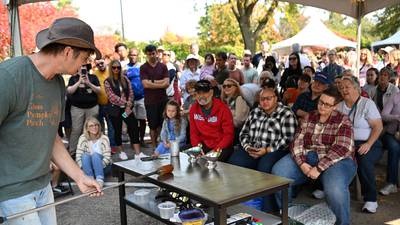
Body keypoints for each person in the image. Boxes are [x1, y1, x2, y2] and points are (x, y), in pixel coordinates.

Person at [0, 17, 102, 225]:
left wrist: (79, 177)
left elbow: (52, 138)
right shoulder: (8, 77)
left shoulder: (57, 84)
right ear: (67, 51)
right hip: (12, 192)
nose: (85, 64)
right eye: (83, 58)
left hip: (42, 185)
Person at [272, 87, 356, 225]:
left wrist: (318, 168)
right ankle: (288, 215)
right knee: (279, 172)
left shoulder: (343, 120)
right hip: (310, 155)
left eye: (327, 104)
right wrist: (302, 164)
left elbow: (342, 148)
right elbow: (297, 142)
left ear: (335, 106)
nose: (322, 106)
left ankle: (342, 223)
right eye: (321, 102)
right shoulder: (310, 116)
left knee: (334, 189)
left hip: (338, 160)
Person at [229, 85, 297, 212]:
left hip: (275, 149)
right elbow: (243, 133)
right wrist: (247, 147)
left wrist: (267, 150)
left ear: (276, 99)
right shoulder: (255, 111)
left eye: (268, 98)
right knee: (234, 162)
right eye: (262, 99)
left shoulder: (286, 113)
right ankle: (240, 200)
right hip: (253, 148)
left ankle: (269, 207)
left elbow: (288, 139)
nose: (265, 102)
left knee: (264, 167)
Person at [337, 76, 383, 213]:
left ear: (356, 88)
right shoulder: (339, 106)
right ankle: (325, 187)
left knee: (363, 158)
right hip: (346, 143)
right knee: (331, 156)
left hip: (369, 143)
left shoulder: (367, 104)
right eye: (341, 87)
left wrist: (368, 143)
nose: (344, 90)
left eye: (347, 87)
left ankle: (371, 199)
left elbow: (378, 127)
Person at [104, 60, 142, 160]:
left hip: (126, 111)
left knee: (133, 127)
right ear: (111, 69)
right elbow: (112, 97)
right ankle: (121, 151)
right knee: (117, 130)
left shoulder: (125, 79)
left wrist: (128, 106)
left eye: (118, 67)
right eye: (114, 67)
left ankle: (138, 153)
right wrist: (125, 103)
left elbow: (131, 92)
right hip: (115, 111)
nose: (116, 69)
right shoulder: (107, 81)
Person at [189, 80, 234, 161]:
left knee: (211, 163)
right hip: (203, 145)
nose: (201, 96)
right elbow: (193, 133)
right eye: (199, 93)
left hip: (221, 145)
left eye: (205, 92)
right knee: (186, 156)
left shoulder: (223, 109)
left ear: (212, 92)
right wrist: (197, 148)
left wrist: (215, 151)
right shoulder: (193, 109)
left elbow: (228, 135)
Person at [67, 63, 101, 157]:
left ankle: (91, 151)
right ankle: (72, 152)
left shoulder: (93, 77)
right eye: (80, 68)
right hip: (77, 108)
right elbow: (69, 91)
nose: (82, 70)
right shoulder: (73, 78)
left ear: (87, 69)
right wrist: (79, 81)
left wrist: (88, 83)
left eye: (84, 69)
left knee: (92, 129)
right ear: (77, 69)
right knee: (76, 130)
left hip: (92, 107)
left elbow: (99, 91)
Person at [140, 45, 170, 148]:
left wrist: (151, 82)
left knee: (162, 125)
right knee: (152, 126)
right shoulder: (143, 67)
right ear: (146, 54)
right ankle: (154, 146)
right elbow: (145, 84)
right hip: (150, 101)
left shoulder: (163, 66)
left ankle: (161, 145)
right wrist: (160, 83)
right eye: (149, 54)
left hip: (162, 100)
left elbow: (167, 83)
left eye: (153, 53)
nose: (152, 56)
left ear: (156, 53)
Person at [75, 117, 112, 188]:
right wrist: (83, 168)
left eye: (96, 125)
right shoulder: (83, 138)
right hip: (87, 168)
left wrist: (97, 166)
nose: (94, 127)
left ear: (99, 126)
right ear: (87, 128)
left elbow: (107, 157)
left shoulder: (104, 138)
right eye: (91, 126)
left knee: (95, 155)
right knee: (85, 155)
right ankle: (90, 179)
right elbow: (78, 156)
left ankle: (99, 180)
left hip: (103, 167)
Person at [379, 91, 400, 195]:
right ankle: (392, 183)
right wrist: (396, 117)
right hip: (391, 133)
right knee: (394, 147)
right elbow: (383, 115)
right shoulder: (395, 96)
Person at [126, 48, 147, 145]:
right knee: (130, 120)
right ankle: (133, 140)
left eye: (135, 55)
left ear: (137, 56)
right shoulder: (124, 67)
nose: (133, 56)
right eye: (131, 54)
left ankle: (141, 140)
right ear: (128, 55)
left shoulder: (142, 67)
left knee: (142, 119)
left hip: (142, 98)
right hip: (130, 99)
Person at [221, 78, 250, 145]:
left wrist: (223, 122)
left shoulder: (239, 99)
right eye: (224, 86)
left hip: (236, 133)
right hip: (226, 131)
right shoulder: (225, 101)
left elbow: (238, 121)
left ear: (236, 87)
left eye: (229, 86)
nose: (226, 88)